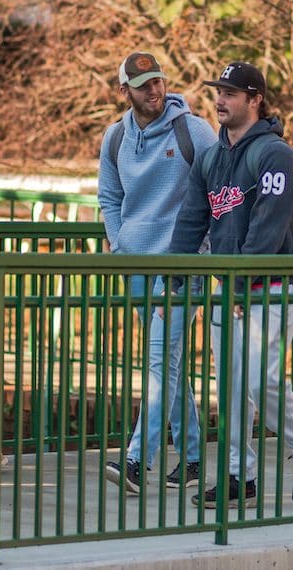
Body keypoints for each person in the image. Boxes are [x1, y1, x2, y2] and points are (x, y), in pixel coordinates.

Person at [166, 61, 293, 509]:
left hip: (274, 285)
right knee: (231, 385)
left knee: (258, 377)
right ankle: (240, 478)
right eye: (219, 91)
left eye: (232, 93)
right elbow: (191, 221)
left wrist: (237, 284)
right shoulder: (212, 158)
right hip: (231, 290)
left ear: (255, 100)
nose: (221, 100)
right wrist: (173, 282)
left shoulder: (275, 154)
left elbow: (268, 230)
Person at [98, 52, 218, 494]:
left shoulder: (194, 131)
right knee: (168, 365)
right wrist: (120, 244)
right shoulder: (115, 139)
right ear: (124, 91)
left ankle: (135, 460)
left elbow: (217, 192)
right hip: (137, 267)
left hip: (182, 268)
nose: (154, 90)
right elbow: (110, 198)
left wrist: (200, 254)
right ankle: (189, 459)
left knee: (156, 363)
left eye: (158, 81)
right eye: (144, 84)